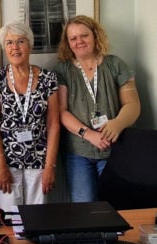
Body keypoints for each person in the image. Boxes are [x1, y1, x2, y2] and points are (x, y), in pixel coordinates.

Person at [54, 15, 140, 202]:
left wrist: (117, 124)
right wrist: (88, 134)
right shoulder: (63, 71)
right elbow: (62, 111)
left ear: (95, 36)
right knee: (84, 208)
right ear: (67, 43)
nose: (79, 42)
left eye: (84, 35)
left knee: (116, 205)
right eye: (73, 38)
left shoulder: (115, 64)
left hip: (114, 149)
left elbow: (133, 104)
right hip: (78, 152)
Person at [0, 21, 60, 212]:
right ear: (4, 47)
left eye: (20, 41)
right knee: (9, 217)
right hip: (6, 159)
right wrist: (0, 164)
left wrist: (50, 166)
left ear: (30, 45)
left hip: (39, 159)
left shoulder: (48, 78)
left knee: (38, 217)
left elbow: (53, 124)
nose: (15, 47)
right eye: (9, 42)